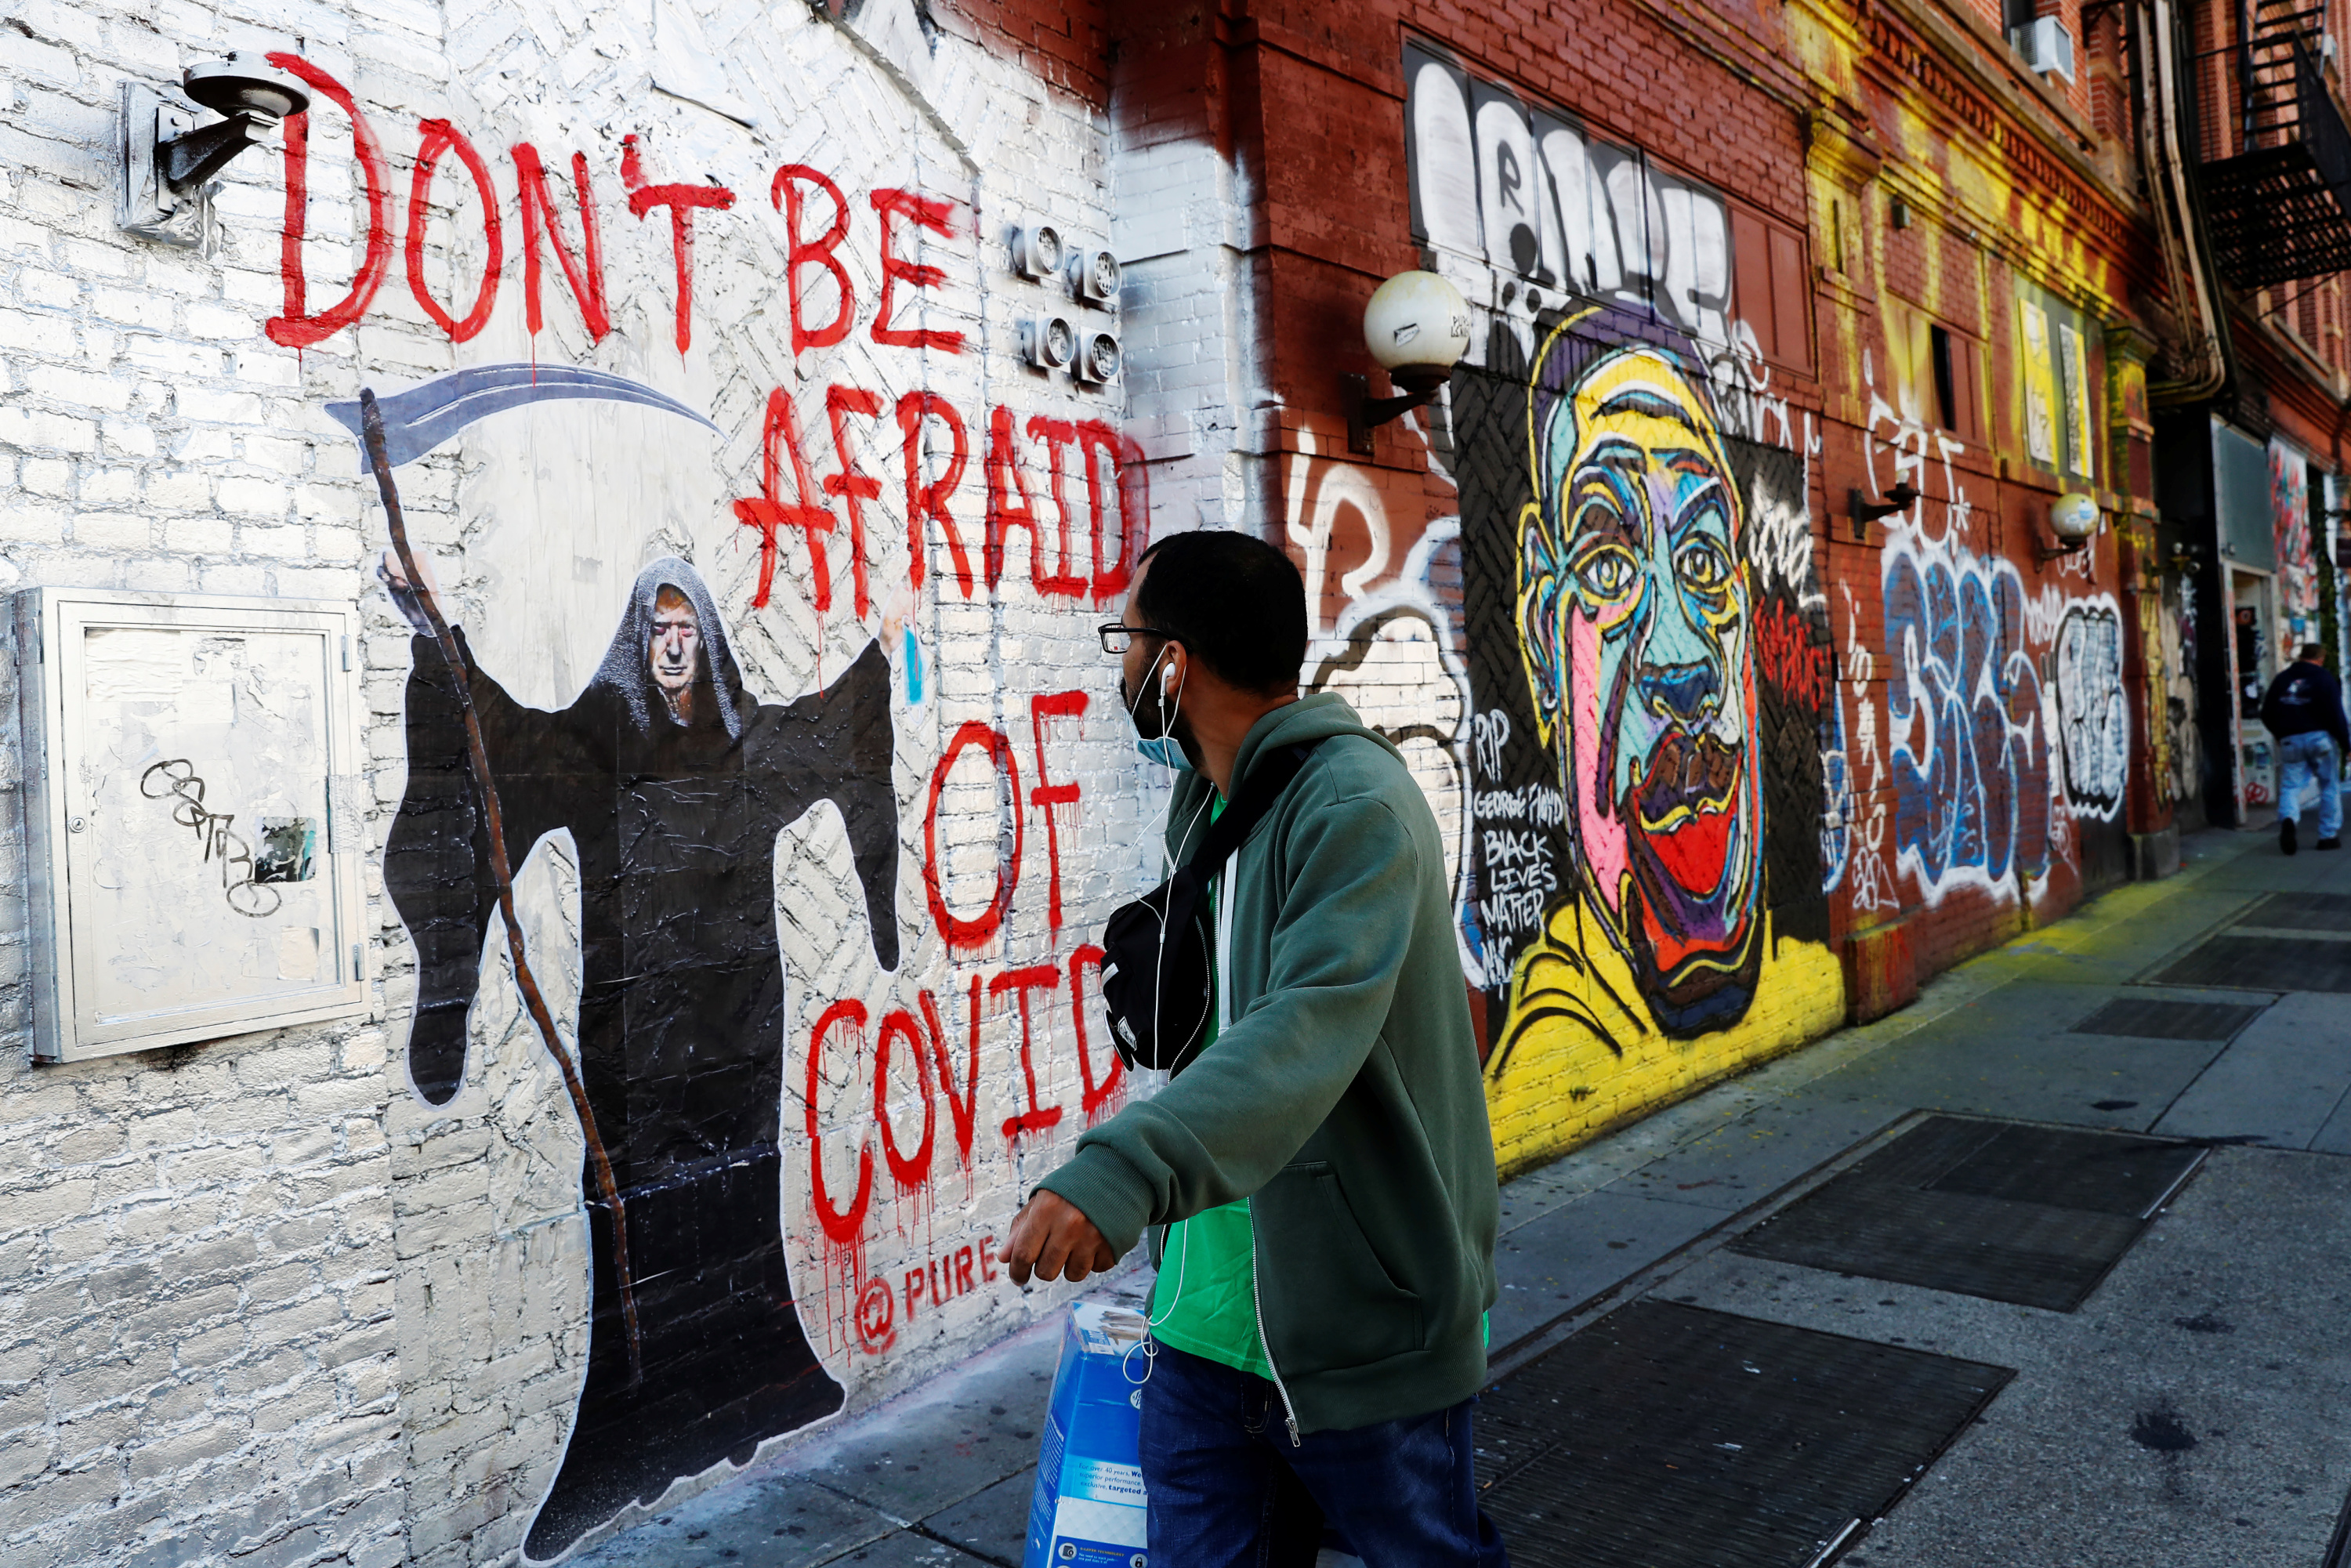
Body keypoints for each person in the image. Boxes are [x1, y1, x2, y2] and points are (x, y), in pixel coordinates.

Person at [998, 531, 1508, 1566]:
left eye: (1127, 640)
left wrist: (1123, 1169)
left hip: (1358, 1342)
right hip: (1197, 1337)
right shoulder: (1209, 806)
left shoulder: (1355, 804)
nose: (1120, 665)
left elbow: (1305, 1026)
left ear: (1175, 664)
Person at [379, 552, 900, 1559]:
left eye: (686, 628)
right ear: (639, 639)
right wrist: (439, 648)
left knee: (737, 1206)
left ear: (707, 637)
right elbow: (503, 742)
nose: (672, 646)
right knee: (634, 1216)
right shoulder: (599, 738)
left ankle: (752, 1395)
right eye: (656, 629)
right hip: (634, 1050)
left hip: (743, 1033)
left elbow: (844, 721)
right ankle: (634, 1440)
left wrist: (893, 627)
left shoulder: (754, 743)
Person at [2260, 641, 2349, 854]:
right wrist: (2347, 745)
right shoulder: (2324, 678)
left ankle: (2289, 818)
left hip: (2291, 739)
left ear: (2301, 657)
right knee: (2329, 785)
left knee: (2291, 786)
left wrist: (2280, 734)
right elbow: (2336, 714)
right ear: (2320, 659)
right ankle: (2328, 836)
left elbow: (2266, 713)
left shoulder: (2282, 679)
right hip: (2320, 739)